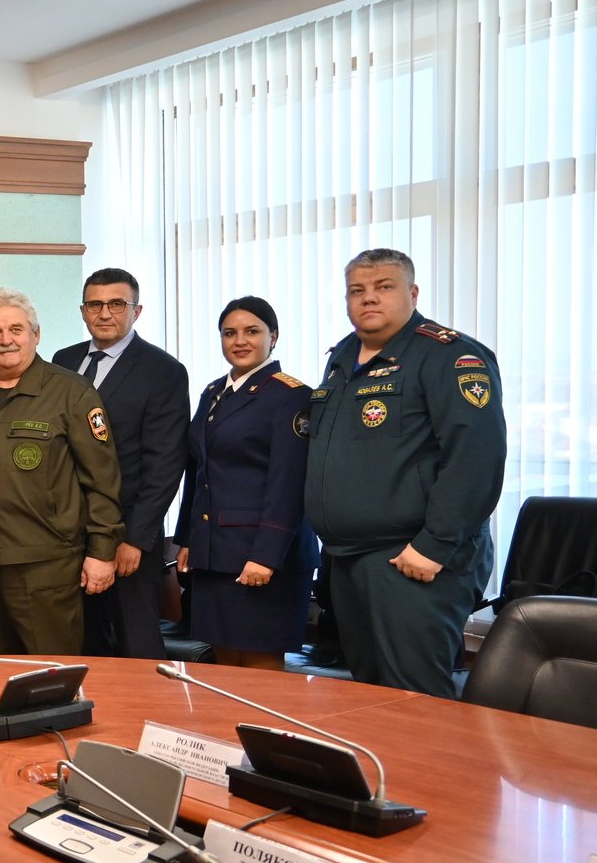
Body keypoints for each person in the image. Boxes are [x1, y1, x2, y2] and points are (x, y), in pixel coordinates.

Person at [305, 248, 506, 698]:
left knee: (415, 701)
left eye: (383, 287)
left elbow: (477, 458)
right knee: (370, 697)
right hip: (348, 557)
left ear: (412, 293)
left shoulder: (450, 356)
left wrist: (433, 545)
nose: (368, 299)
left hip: (411, 559)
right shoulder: (341, 358)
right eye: (357, 290)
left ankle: (442, 773)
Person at [0, 288, 124, 655]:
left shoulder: (71, 393)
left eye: (16, 329)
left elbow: (103, 481)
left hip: (47, 564)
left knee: (51, 677)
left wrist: (102, 551)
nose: (5, 340)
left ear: (36, 334)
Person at [175, 298, 320, 670]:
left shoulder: (291, 395)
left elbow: (289, 483)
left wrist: (266, 556)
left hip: (263, 554)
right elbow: (199, 469)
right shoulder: (213, 393)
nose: (240, 340)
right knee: (224, 664)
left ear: (273, 337)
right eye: (230, 333)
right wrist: (189, 538)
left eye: (252, 331)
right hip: (215, 552)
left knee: (260, 670)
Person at [52, 269, 189, 659]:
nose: (105, 313)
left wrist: (136, 540)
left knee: (136, 639)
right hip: (67, 531)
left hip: (128, 533)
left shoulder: (163, 371)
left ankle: (149, 717)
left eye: (117, 304)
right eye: (95, 304)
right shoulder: (64, 361)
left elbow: (165, 466)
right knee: (82, 639)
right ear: (83, 311)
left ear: (137, 310)